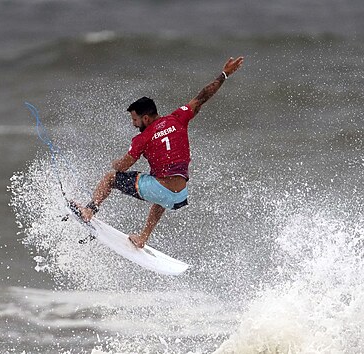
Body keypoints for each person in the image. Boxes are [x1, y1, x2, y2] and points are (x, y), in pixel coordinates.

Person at [73, 56, 244, 248]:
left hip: (161, 189)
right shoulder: (178, 118)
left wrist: (115, 164)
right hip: (179, 195)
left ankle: (88, 211)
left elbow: (124, 166)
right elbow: (202, 97)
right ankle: (143, 238)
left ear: (146, 118)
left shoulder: (143, 138)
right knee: (159, 184)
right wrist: (224, 74)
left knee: (111, 178)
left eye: (135, 120)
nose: (133, 124)